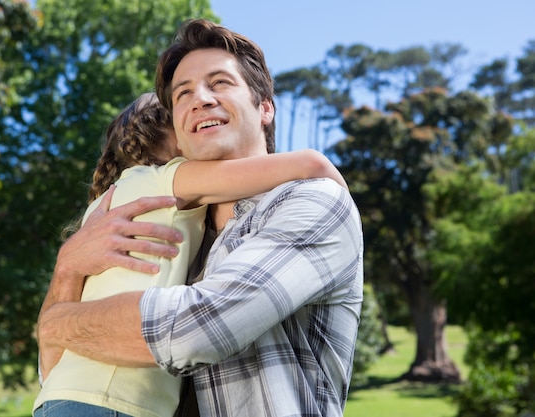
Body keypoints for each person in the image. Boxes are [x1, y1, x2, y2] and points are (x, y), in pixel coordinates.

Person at [37, 18, 364, 417]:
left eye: (220, 83)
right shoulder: (165, 226)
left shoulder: (311, 200)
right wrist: (67, 267)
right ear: (175, 125)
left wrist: (58, 323)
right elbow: (53, 377)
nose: (201, 98)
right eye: (183, 93)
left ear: (264, 107)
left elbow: (196, 332)